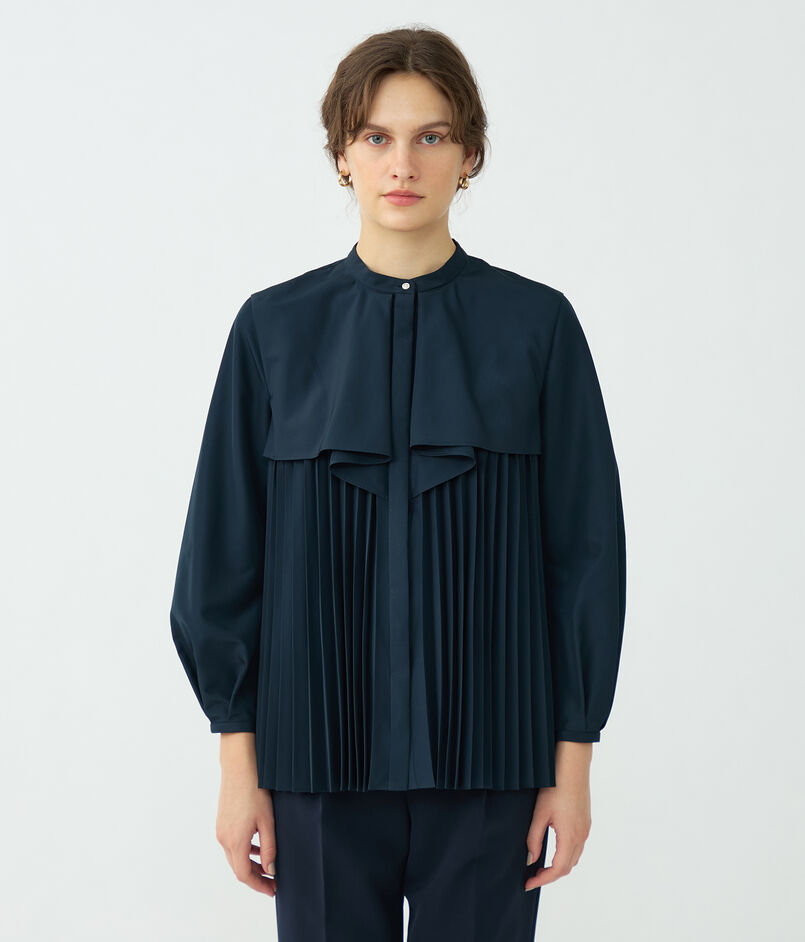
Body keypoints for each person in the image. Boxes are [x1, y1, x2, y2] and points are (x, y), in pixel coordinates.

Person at [169, 25, 627, 942]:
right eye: (376, 136)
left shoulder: (537, 327)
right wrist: (237, 767)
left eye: (431, 136)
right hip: (313, 764)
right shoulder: (271, 331)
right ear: (342, 155)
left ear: (469, 155)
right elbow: (222, 560)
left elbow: (584, 555)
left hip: (494, 760)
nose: (402, 163)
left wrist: (571, 767)